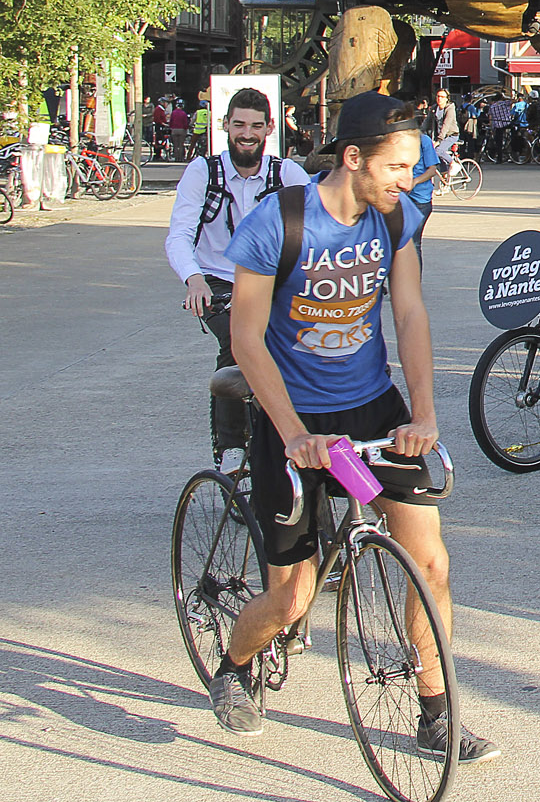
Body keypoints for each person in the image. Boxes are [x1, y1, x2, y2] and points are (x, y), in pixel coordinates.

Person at [208, 92, 499, 763]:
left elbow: (410, 313)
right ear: (352, 158)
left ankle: (435, 712)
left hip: (371, 405)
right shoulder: (275, 224)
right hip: (294, 417)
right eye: (397, 166)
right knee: (291, 599)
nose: (408, 178)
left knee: (429, 563)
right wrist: (291, 433)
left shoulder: (394, 219)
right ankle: (234, 666)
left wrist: (422, 414)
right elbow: (246, 338)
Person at [164, 88, 310, 469]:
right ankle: (231, 448)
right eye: (239, 124)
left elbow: (318, 229)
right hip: (217, 281)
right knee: (238, 342)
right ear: (225, 125)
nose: (247, 134)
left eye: (256, 126)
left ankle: (294, 434)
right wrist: (192, 279)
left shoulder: (287, 173)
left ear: (269, 128)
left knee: (304, 348)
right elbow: (179, 233)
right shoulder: (203, 172)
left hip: (274, 281)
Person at [408, 107, 446, 265]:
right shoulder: (400, 143)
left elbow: (432, 170)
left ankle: (414, 284)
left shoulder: (424, 141)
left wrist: (415, 181)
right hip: (403, 198)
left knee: (414, 242)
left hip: (420, 200)